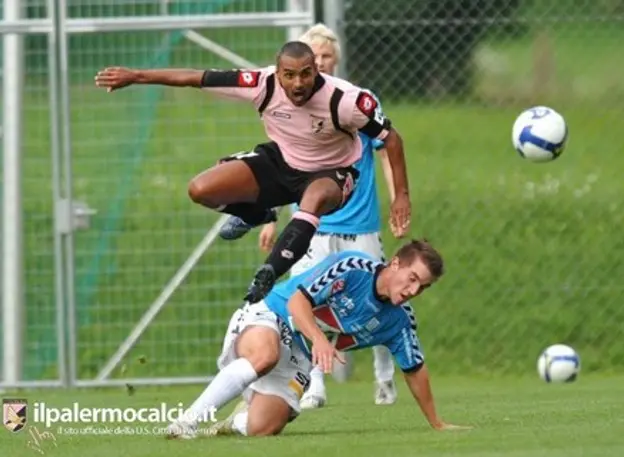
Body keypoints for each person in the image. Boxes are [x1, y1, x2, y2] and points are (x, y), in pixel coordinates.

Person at [94, 41, 412, 306]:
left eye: (305, 74)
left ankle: (269, 272)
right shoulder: (261, 83)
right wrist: (136, 75)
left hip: (333, 173)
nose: (298, 83)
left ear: (317, 70)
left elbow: (391, 138)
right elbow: (195, 77)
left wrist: (401, 196)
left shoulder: (345, 101)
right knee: (201, 189)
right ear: (278, 72)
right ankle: (258, 213)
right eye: (289, 75)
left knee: (313, 198)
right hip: (281, 163)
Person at [221, 23, 400, 409]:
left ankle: (385, 380)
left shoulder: (352, 102)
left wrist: (398, 199)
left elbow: (386, 146)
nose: (317, 63)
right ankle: (314, 383)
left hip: (360, 219)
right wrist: (269, 219)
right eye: (311, 56)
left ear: (331, 62)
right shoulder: (288, 104)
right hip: (315, 227)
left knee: (381, 300)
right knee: (308, 300)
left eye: (323, 58)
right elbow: (285, 171)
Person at [165, 239, 471, 439]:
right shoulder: (353, 267)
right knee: (265, 355)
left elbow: (414, 369)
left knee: (264, 428)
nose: (413, 291)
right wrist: (319, 340)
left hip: (300, 355)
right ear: (395, 263)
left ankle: (235, 421)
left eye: (423, 287)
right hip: (273, 314)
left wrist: (437, 423)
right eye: (413, 278)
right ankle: (187, 422)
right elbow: (298, 302)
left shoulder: (400, 320)